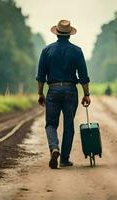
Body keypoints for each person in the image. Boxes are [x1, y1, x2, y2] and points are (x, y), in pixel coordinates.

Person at [36, 19, 91, 169]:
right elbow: (83, 76)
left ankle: (54, 148)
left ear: (57, 33)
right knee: (69, 126)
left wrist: (40, 93)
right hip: (70, 91)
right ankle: (64, 159)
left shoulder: (46, 51)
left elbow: (41, 76)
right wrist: (86, 94)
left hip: (53, 90)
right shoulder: (77, 51)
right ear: (69, 34)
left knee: (51, 124)